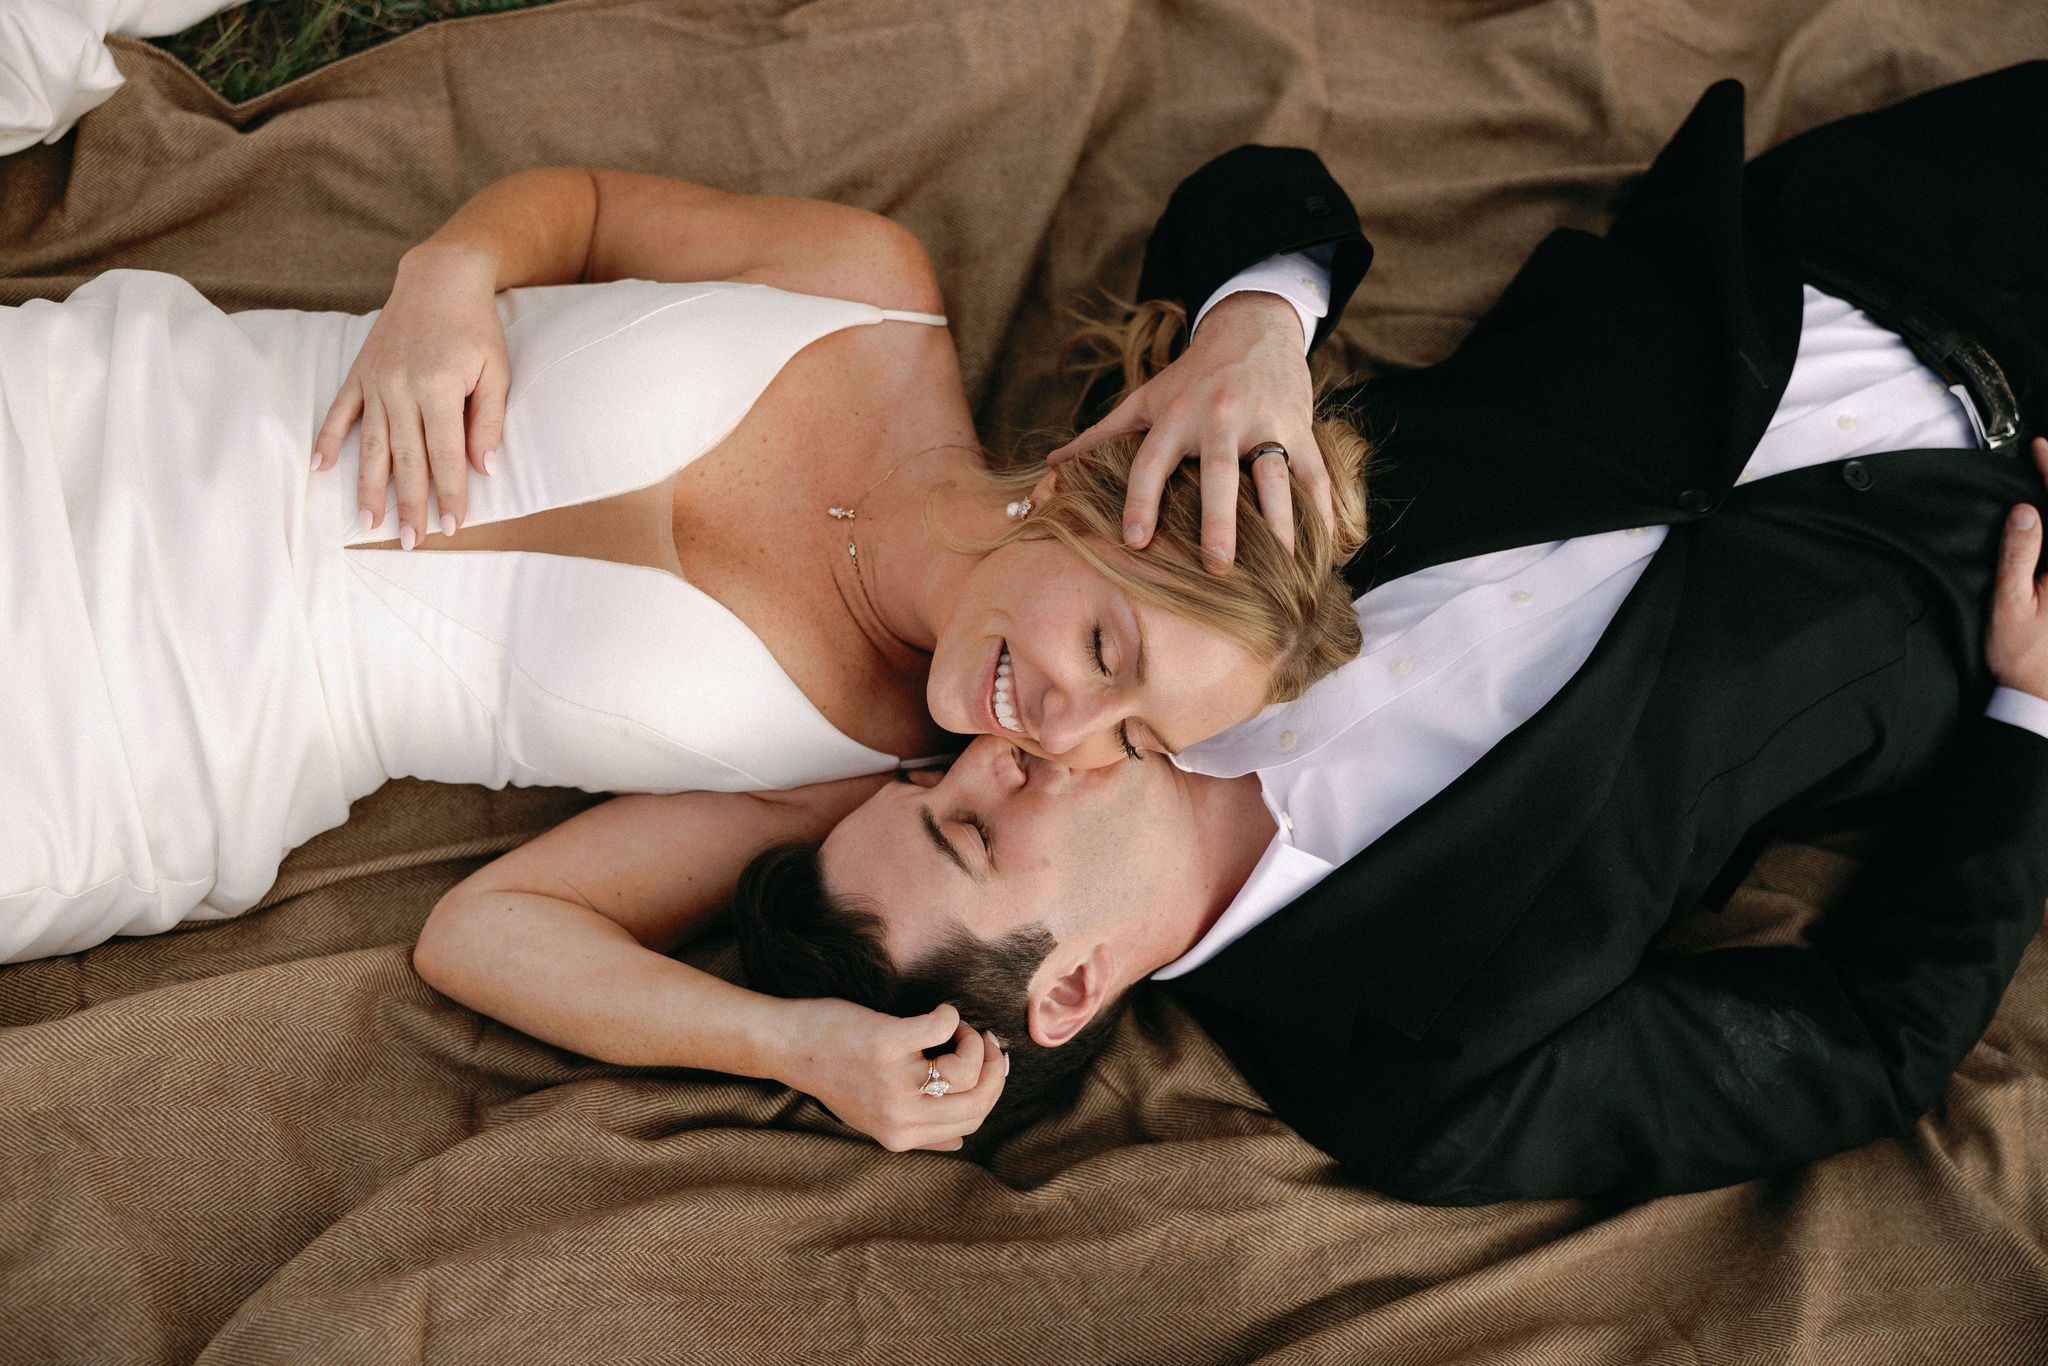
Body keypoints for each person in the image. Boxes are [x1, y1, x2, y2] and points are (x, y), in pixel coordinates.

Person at [727, 63, 2048, 1202]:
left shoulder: (1126, 598)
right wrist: (2029, 715)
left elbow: (1254, 192)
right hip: (1973, 556)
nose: (985, 749)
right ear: (1067, 989)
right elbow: (1870, 1043)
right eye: (971, 833)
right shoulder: (1419, 1084)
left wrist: (1254, 334)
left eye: (929, 772)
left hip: (1882, 239)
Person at [0, 166, 1371, 966]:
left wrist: (804, 1060)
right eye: (1108, 656)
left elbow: (494, 931)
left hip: (156, 742)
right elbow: (583, 209)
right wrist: (448, 275)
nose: (1064, 726)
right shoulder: (868, 288)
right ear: (1084, 485)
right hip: (136, 418)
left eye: (1130, 737)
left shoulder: (854, 768)